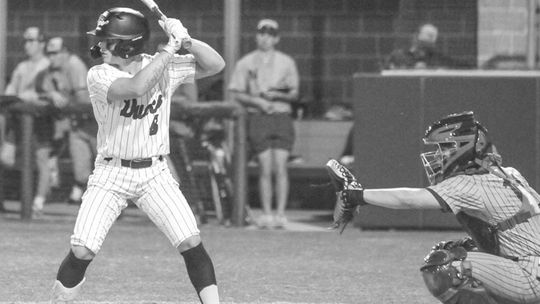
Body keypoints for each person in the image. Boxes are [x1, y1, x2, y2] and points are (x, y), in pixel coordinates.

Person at [50, 7, 225, 303]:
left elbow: (216, 64)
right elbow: (136, 86)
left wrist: (186, 40)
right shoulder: (99, 74)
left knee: (191, 242)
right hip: (111, 173)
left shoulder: (163, 64)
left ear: (128, 44)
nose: (100, 45)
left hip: (155, 174)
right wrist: (169, 49)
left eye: (107, 40)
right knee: (82, 250)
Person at [326, 111, 540, 304]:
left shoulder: (469, 182)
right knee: (461, 249)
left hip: (530, 275)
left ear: (462, 147)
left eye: (444, 148)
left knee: (442, 265)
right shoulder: (508, 173)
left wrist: (357, 195)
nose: (439, 155)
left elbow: (409, 199)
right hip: (532, 266)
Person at [228, 18, 300, 229]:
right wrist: (258, 100)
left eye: (270, 34)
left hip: (281, 116)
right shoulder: (246, 63)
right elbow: (236, 92)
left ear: (276, 38)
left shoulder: (287, 62)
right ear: (256, 36)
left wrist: (276, 94)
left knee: (281, 166)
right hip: (259, 118)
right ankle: (267, 213)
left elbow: (294, 93)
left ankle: (280, 213)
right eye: (261, 33)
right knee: (265, 167)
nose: (265, 38)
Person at [36, 36, 97, 206]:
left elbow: (82, 98)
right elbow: (41, 93)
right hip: (76, 124)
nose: (51, 57)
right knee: (81, 172)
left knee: (107, 167)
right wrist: (51, 94)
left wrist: (61, 99)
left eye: (55, 53)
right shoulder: (50, 71)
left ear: (64, 52)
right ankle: (78, 194)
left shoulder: (74, 64)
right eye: (49, 53)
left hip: (96, 123)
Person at [4, 26, 53, 218]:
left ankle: (38, 203)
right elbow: (10, 92)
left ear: (41, 43)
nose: (27, 45)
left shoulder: (48, 65)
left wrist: (30, 96)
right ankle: (23, 197)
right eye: (26, 41)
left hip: (41, 119)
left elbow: (49, 93)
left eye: (32, 41)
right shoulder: (22, 67)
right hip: (18, 120)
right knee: (7, 158)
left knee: (43, 160)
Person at [384, 23, 470, 70]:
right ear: (415, 38)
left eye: (429, 46)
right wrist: (412, 68)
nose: (423, 51)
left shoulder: (439, 58)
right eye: (422, 45)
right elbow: (386, 72)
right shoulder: (398, 56)